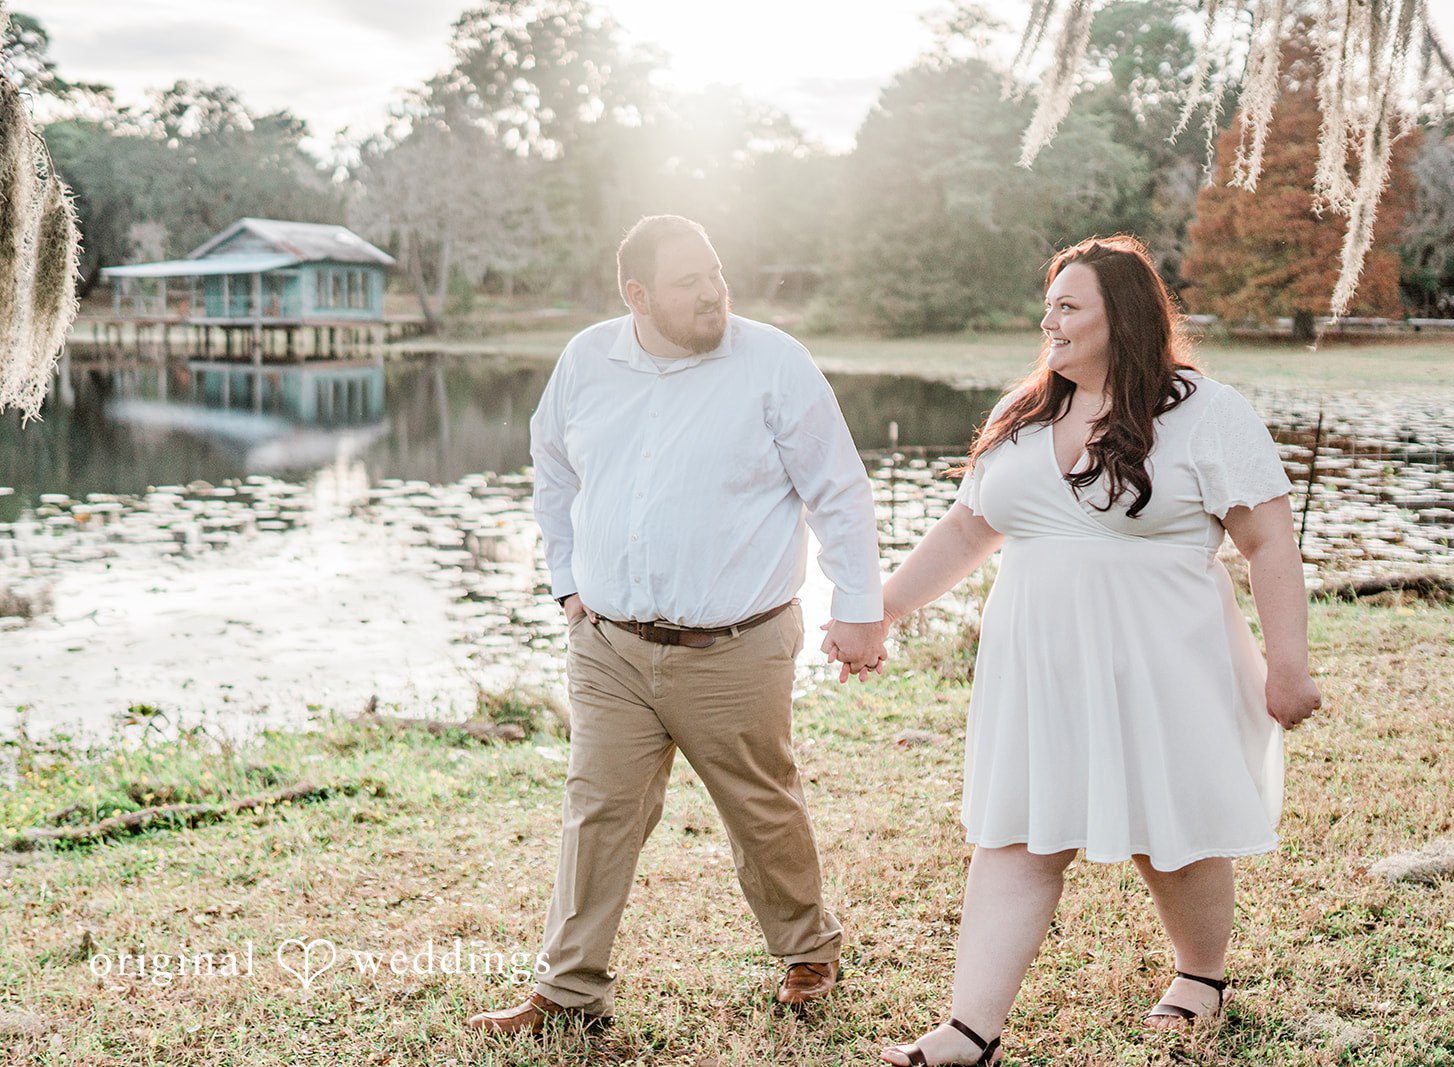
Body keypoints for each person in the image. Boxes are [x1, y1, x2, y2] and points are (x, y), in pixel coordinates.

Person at [835, 235, 1321, 1065]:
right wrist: (884, 608)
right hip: (1037, 666)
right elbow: (968, 527)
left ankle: (1201, 975)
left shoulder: (1205, 411)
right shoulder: (1022, 412)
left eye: (1069, 306)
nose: (1047, 321)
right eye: (1049, 305)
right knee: (1015, 833)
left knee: (1173, 829)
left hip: (1165, 656)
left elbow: (1268, 539)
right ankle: (969, 1029)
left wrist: (1288, 663)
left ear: (1121, 318)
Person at [468, 215, 889, 1035]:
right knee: (597, 808)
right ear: (638, 295)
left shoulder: (773, 362)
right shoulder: (588, 360)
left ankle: (808, 950)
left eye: (716, 272)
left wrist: (859, 607)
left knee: (760, 807)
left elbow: (839, 488)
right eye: (688, 281)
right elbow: (551, 468)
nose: (711, 292)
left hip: (737, 645)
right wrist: (566, 586)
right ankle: (568, 989)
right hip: (610, 647)